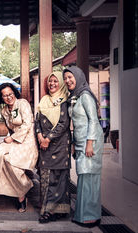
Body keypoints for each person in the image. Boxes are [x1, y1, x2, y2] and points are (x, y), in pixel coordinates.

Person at [0, 83, 38, 212]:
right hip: (14, 139)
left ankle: (23, 193)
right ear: (1, 97)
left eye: (10, 94)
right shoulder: (5, 110)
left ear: (14, 93)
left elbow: (28, 124)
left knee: (11, 162)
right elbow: (10, 128)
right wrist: (10, 139)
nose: (8, 97)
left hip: (27, 140)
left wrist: (13, 138)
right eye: (5, 95)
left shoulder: (22, 103)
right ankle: (12, 189)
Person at [63, 66, 103, 227]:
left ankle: (91, 215)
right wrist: (74, 143)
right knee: (83, 177)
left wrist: (89, 143)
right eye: (65, 78)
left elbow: (93, 120)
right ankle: (82, 214)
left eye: (70, 77)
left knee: (90, 178)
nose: (67, 81)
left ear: (78, 77)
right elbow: (76, 124)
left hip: (91, 142)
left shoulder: (86, 96)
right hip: (80, 142)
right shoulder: (75, 96)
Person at [35, 72, 71, 223]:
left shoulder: (65, 100)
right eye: (50, 81)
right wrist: (39, 136)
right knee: (45, 178)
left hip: (60, 145)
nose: (52, 84)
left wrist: (48, 138)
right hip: (44, 145)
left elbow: (64, 123)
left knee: (60, 179)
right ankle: (47, 209)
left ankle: (56, 211)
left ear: (61, 83)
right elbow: (37, 120)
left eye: (56, 81)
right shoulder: (44, 100)